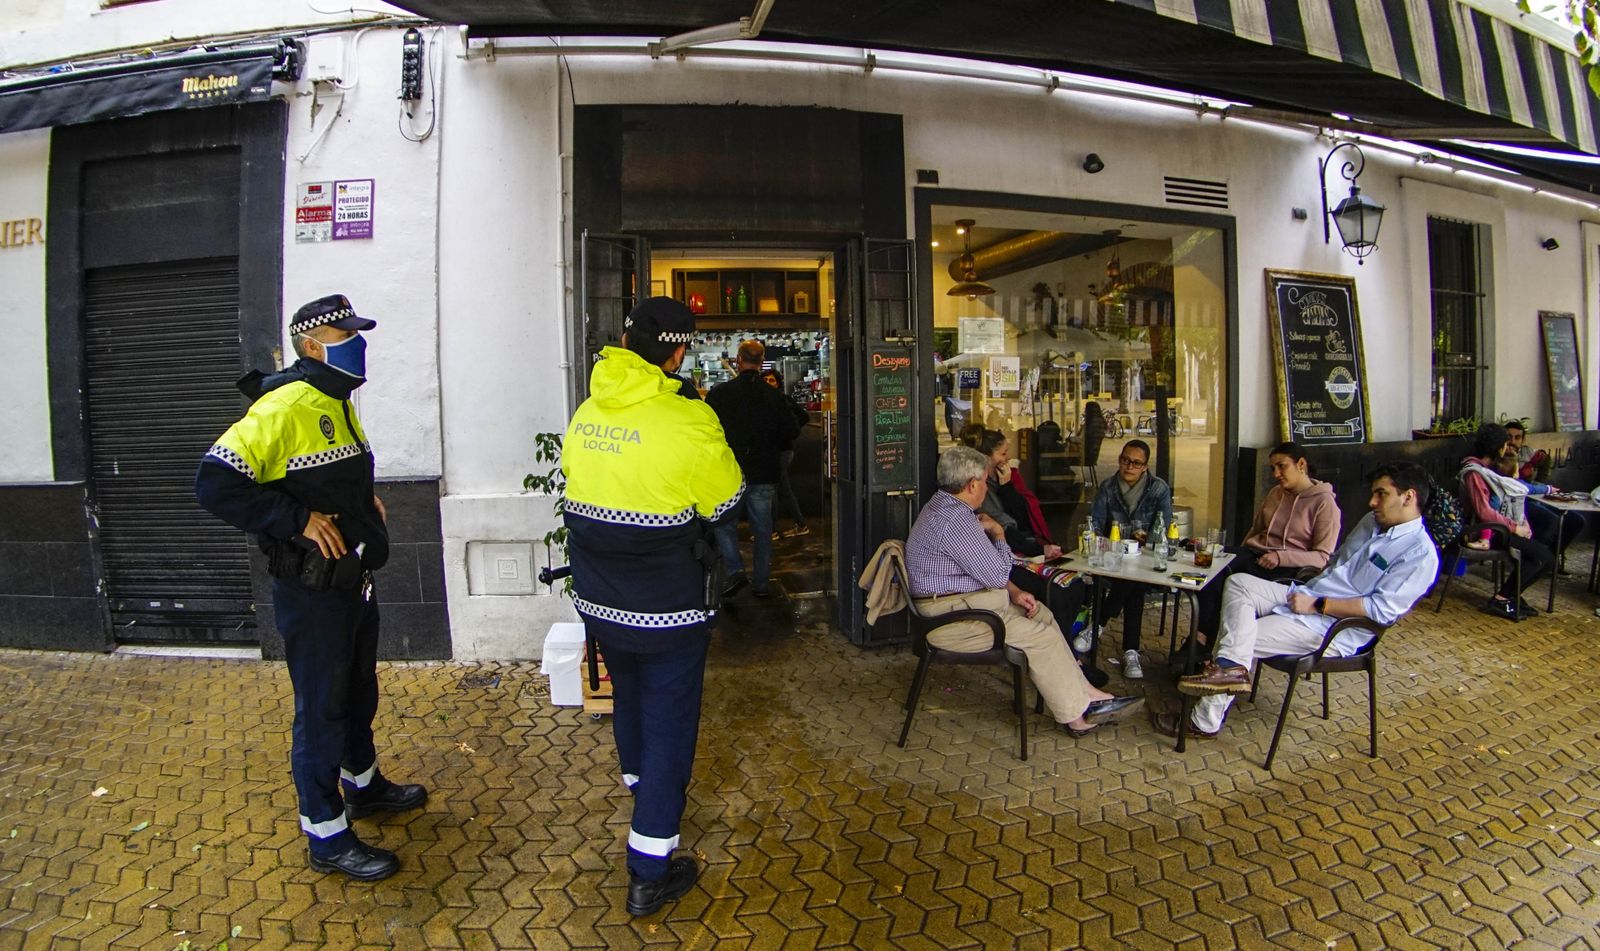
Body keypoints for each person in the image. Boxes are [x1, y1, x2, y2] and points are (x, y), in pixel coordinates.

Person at [195, 294, 424, 882]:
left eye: (358, 329)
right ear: (311, 344)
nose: (358, 340)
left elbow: (323, 473)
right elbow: (215, 484)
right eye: (345, 332)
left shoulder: (336, 401)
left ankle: (363, 786)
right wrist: (297, 522)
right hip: (312, 591)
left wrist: (356, 503)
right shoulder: (288, 404)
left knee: (356, 691)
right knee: (321, 707)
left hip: (351, 581)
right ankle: (326, 835)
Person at [561, 297, 744, 917]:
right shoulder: (688, 419)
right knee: (670, 720)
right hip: (667, 604)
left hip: (597, 595)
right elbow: (724, 504)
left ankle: (639, 786)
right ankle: (649, 868)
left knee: (629, 695)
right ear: (677, 351)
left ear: (625, 341)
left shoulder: (587, 411)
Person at [1157, 462, 1439, 739]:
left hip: (1332, 627)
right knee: (1239, 583)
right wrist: (1309, 591)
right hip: (1308, 592)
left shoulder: (1420, 555)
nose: (1372, 502)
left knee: (1240, 634)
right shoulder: (1372, 523)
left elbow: (1380, 610)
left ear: (1409, 497)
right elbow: (1336, 562)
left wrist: (1318, 605)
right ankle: (1231, 671)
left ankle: (1205, 719)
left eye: (1381, 494)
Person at [905, 447, 1142, 736]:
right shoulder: (956, 521)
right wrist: (1000, 535)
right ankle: (1076, 716)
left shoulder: (942, 506)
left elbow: (986, 571)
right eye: (984, 479)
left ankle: (1086, 692)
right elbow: (996, 574)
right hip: (952, 620)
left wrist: (1014, 591)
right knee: (1040, 636)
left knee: (1042, 613)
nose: (986, 485)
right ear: (972, 485)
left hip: (960, 607)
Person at [1191, 442, 1341, 659]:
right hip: (1255, 555)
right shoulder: (1275, 493)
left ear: (1301, 464)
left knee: (1222, 576)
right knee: (1211, 561)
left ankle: (1202, 646)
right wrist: (1241, 553)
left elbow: (1322, 557)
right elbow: (1256, 530)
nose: (1276, 474)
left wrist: (1281, 557)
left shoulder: (1324, 503)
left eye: (1281, 466)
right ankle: (1201, 641)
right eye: (1272, 468)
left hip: (1288, 569)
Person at [707, 340, 802, 599]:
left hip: (729, 472)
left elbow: (706, 432)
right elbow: (791, 430)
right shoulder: (774, 395)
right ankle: (761, 583)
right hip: (764, 471)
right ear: (762, 362)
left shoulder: (720, 394)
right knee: (762, 530)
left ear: (738, 360)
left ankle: (736, 570)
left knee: (723, 523)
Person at [1088, 439, 1173, 680]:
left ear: (1145, 466)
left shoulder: (1158, 489)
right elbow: (1096, 524)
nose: (1129, 467)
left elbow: (1162, 529)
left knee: (1134, 581)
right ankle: (1131, 653)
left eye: (1136, 463)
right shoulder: (1108, 487)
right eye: (1125, 460)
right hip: (1114, 555)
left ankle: (1099, 623)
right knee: (1132, 584)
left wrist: (1145, 538)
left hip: (1145, 556)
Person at [1460, 423, 1555, 620]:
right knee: (1541, 558)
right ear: (1497, 447)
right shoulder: (1474, 473)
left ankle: (1510, 596)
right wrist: (1514, 527)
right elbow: (1484, 511)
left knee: (1546, 560)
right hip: (1486, 531)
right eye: (1505, 444)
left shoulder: (1489, 470)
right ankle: (1501, 599)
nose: (1507, 448)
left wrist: (1521, 523)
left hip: (1499, 528)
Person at [1502, 419, 1583, 570]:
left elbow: (1543, 468)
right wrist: (1524, 478)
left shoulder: (1528, 452)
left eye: (1517, 437)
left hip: (1535, 496)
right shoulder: (1500, 453)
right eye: (1509, 437)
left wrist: (1537, 478)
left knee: (1576, 520)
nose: (1512, 441)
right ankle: (1532, 561)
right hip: (1515, 502)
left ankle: (1549, 559)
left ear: (1523, 439)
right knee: (1550, 520)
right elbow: (1507, 483)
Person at [760, 368, 811, 539]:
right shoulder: (769, 400)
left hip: (781, 451)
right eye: (765, 380)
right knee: (783, 488)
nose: (768, 383)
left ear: (778, 383)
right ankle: (800, 524)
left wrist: (787, 433)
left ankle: (771, 530)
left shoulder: (782, 400)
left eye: (771, 380)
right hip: (779, 450)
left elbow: (804, 416)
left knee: (773, 488)